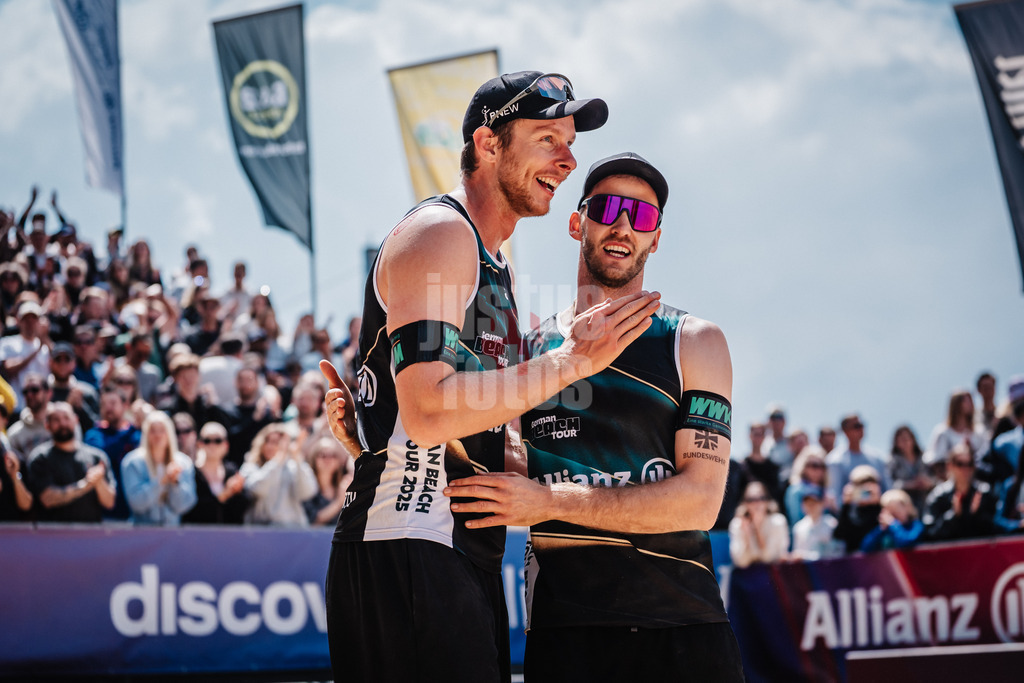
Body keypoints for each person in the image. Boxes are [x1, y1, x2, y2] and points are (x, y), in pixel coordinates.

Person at [321, 73, 660, 683]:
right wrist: (573, 364)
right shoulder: (442, 232)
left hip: (454, 549)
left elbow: (453, 422)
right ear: (489, 142)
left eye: (570, 140)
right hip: (408, 538)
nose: (568, 158)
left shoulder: (489, 259)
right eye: (548, 138)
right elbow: (429, 411)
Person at [440, 152, 743, 681]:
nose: (624, 225)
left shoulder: (694, 341)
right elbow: (495, 472)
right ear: (577, 221)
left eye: (643, 216)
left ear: (656, 238)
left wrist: (549, 501)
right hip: (566, 635)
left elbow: (700, 501)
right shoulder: (527, 350)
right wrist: (380, 440)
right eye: (609, 208)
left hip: (681, 628)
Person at [26, 402, 116, 522]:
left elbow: (109, 502)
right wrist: (85, 485)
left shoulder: (96, 457)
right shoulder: (40, 458)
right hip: (52, 536)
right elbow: (47, 499)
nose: (62, 424)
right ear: (47, 425)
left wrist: (98, 482)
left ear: (76, 420)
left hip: (91, 536)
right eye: (56, 420)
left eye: (66, 418)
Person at [121, 411, 197, 526]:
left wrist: (176, 483)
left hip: (172, 532)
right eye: (153, 430)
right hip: (141, 532)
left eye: (162, 430)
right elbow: (136, 504)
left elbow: (185, 505)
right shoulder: (132, 462)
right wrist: (161, 481)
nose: (158, 435)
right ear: (146, 434)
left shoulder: (183, 463)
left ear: (169, 433)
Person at [241, 422, 316, 526]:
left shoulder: (293, 465)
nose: (272, 446)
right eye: (269, 441)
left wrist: (297, 457)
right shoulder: (250, 467)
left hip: (293, 532)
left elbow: (307, 492)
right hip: (261, 533)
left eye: (278, 442)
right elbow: (258, 489)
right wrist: (278, 459)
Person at [83, 386, 141, 520]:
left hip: (136, 511)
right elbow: (105, 454)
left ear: (125, 405)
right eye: (104, 404)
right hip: (105, 512)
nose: (108, 408)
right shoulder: (93, 435)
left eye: (113, 403)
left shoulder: (137, 434)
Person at [922, 441, 999, 542]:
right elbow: (930, 533)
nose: (965, 469)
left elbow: (997, 529)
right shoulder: (938, 496)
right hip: (949, 556)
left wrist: (977, 514)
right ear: (950, 466)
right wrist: (954, 515)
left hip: (981, 554)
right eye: (960, 464)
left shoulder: (985, 492)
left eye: (969, 464)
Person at [182, 421, 248, 525]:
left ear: (226, 445)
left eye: (217, 440)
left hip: (230, 536)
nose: (212, 445)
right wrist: (224, 495)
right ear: (199, 444)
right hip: (198, 536)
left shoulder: (232, 472)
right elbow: (191, 510)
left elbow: (242, 509)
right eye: (207, 440)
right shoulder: (192, 473)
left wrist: (238, 492)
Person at [825, 413, 889, 503]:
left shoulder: (877, 458)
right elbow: (835, 497)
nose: (861, 429)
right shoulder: (835, 461)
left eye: (862, 425)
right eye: (856, 426)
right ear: (845, 431)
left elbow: (887, 490)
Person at [0, 301, 51, 409]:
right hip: (17, 407)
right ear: (19, 321)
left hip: (42, 408)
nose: (30, 324)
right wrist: (36, 350)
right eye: (26, 320)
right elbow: (9, 368)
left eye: (34, 320)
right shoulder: (8, 343)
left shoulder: (46, 346)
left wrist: (45, 338)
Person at [729, 481, 791, 568]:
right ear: (745, 503)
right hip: (746, 576)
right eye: (751, 500)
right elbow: (740, 561)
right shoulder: (737, 524)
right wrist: (747, 536)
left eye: (761, 498)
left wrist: (758, 530)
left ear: (767, 501)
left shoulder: (778, 522)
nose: (756, 503)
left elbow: (769, 558)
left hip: (773, 575)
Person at [924, 389, 987, 470]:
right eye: (966, 401)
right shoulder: (943, 432)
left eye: (971, 401)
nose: (971, 404)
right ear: (956, 404)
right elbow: (935, 459)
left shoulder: (979, 431)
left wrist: (971, 451)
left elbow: (984, 455)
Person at [833, 464, 884, 553]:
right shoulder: (851, 511)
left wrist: (878, 503)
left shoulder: (883, 509)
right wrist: (846, 505)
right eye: (860, 487)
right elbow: (838, 535)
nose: (864, 493)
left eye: (868, 490)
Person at [304, 436, 352, 526]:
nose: (328, 459)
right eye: (323, 455)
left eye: (332, 455)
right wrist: (339, 501)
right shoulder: (307, 486)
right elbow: (314, 521)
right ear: (314, 458)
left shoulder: (344, 487)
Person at [887, 424, 933, 513]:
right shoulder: (893, 462)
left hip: (926, 503)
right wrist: (910, 485)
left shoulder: (925, 458)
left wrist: (928, 483)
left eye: (907, 439)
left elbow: (936, 479)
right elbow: (889, 484)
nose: (905, 442)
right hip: (904, 507)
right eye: (901, 440)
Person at [784, 445, 833, 525]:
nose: (818, 470)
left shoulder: (826, 491)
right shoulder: (796, 490)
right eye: (814, 465)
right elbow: (796, 521)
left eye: (822, 466)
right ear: (804, 466)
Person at [790, 485, 839, 560]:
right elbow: (797, 554)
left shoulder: (832, 524)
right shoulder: (799, 527)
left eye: (814, 503)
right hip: (806, 570)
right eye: (807, 503)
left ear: (822, 503)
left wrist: (805, 556)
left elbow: (835, 553)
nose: (810, 506)